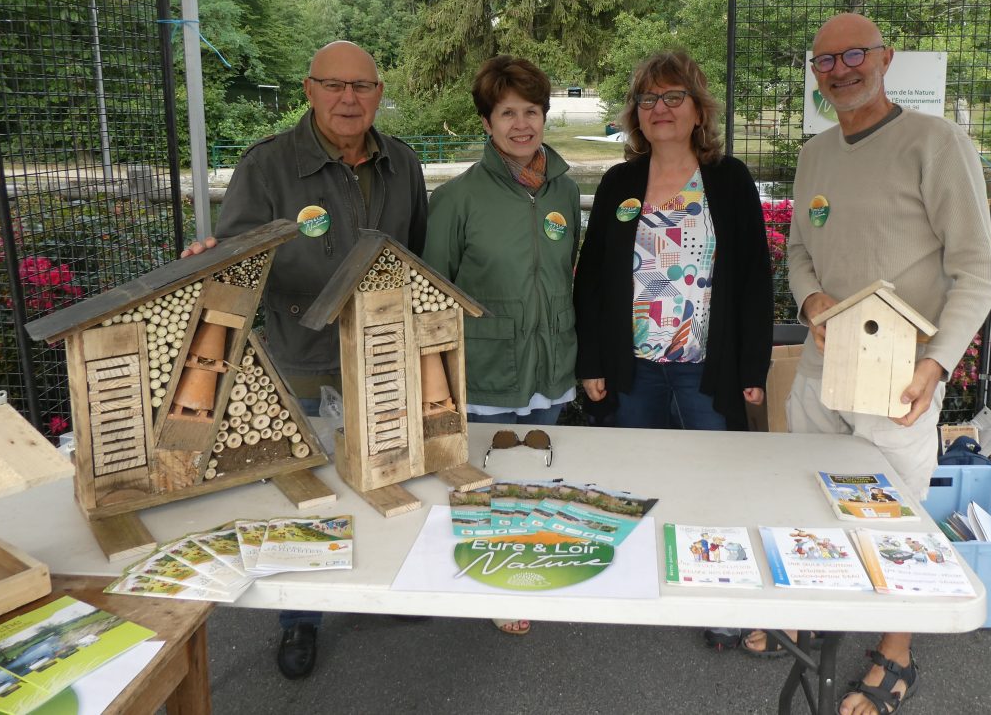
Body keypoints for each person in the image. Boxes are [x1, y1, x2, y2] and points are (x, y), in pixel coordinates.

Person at [759, 13, 991, 715]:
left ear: (886, 59)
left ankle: (896, 650)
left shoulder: (936, 143)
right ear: (814, 72)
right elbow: (801, 251)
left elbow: (977, 272)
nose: (840, 70)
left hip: (899, 377)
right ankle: (812, 610)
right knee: (808, 497)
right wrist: (809, 304)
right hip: (820, 370)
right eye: (825, 60)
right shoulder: (815, 154)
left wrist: (938, 366)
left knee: (900, 521)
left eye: (855, 54)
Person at [183, 40, 427, 680]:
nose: (349, 98)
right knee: (308, 496)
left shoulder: (402, 162)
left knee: (383, 475)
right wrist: (208, 265)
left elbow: (416, 255)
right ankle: (299, 619)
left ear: (378, 93)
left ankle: (375, 589)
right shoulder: (268, 167)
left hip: (379, 356)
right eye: (334, 85)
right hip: (302, 358)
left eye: (363, 86)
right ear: (308, 90)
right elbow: (236, 264)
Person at [422, 55, 581, 636]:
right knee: (485, 475)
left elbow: (566, 273)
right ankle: (493, 578)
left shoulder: (563, 191)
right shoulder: (457, 198)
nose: (521, 124)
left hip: (550, 360)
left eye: (531, 111)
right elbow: (433, 294)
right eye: (507, 112)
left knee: (539, 469)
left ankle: (531, 563)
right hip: (486, 363)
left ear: (545, 115)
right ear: (486, 123)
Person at [573, 50, 773, 431]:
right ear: (637, 115)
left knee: (709, 477)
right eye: (647, 99)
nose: (659, 107)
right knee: (635, 477)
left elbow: (754, 279)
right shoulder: (618, 183)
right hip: (631, 372)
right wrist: (591, 362)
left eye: (673, 97)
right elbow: (591, 281)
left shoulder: (729, 180)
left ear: (698, 111)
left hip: (706, 374)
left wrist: (752, 367)